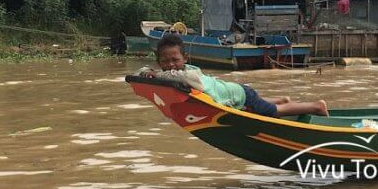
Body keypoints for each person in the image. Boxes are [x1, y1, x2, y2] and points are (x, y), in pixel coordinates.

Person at [139, 34, 329, 117]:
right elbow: (141, 74)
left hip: (240, 94)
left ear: (185, 58)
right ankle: (281, 98)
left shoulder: (188, 75)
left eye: (175, 59)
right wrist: (147, 73)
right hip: (234, 92)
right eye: (165, 61)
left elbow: (174, 77)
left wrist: (155, 75)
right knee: (260, 102)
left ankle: (315, 106)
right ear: (158, 62)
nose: (171, 64)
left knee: (274, 112)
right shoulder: (176, 71)